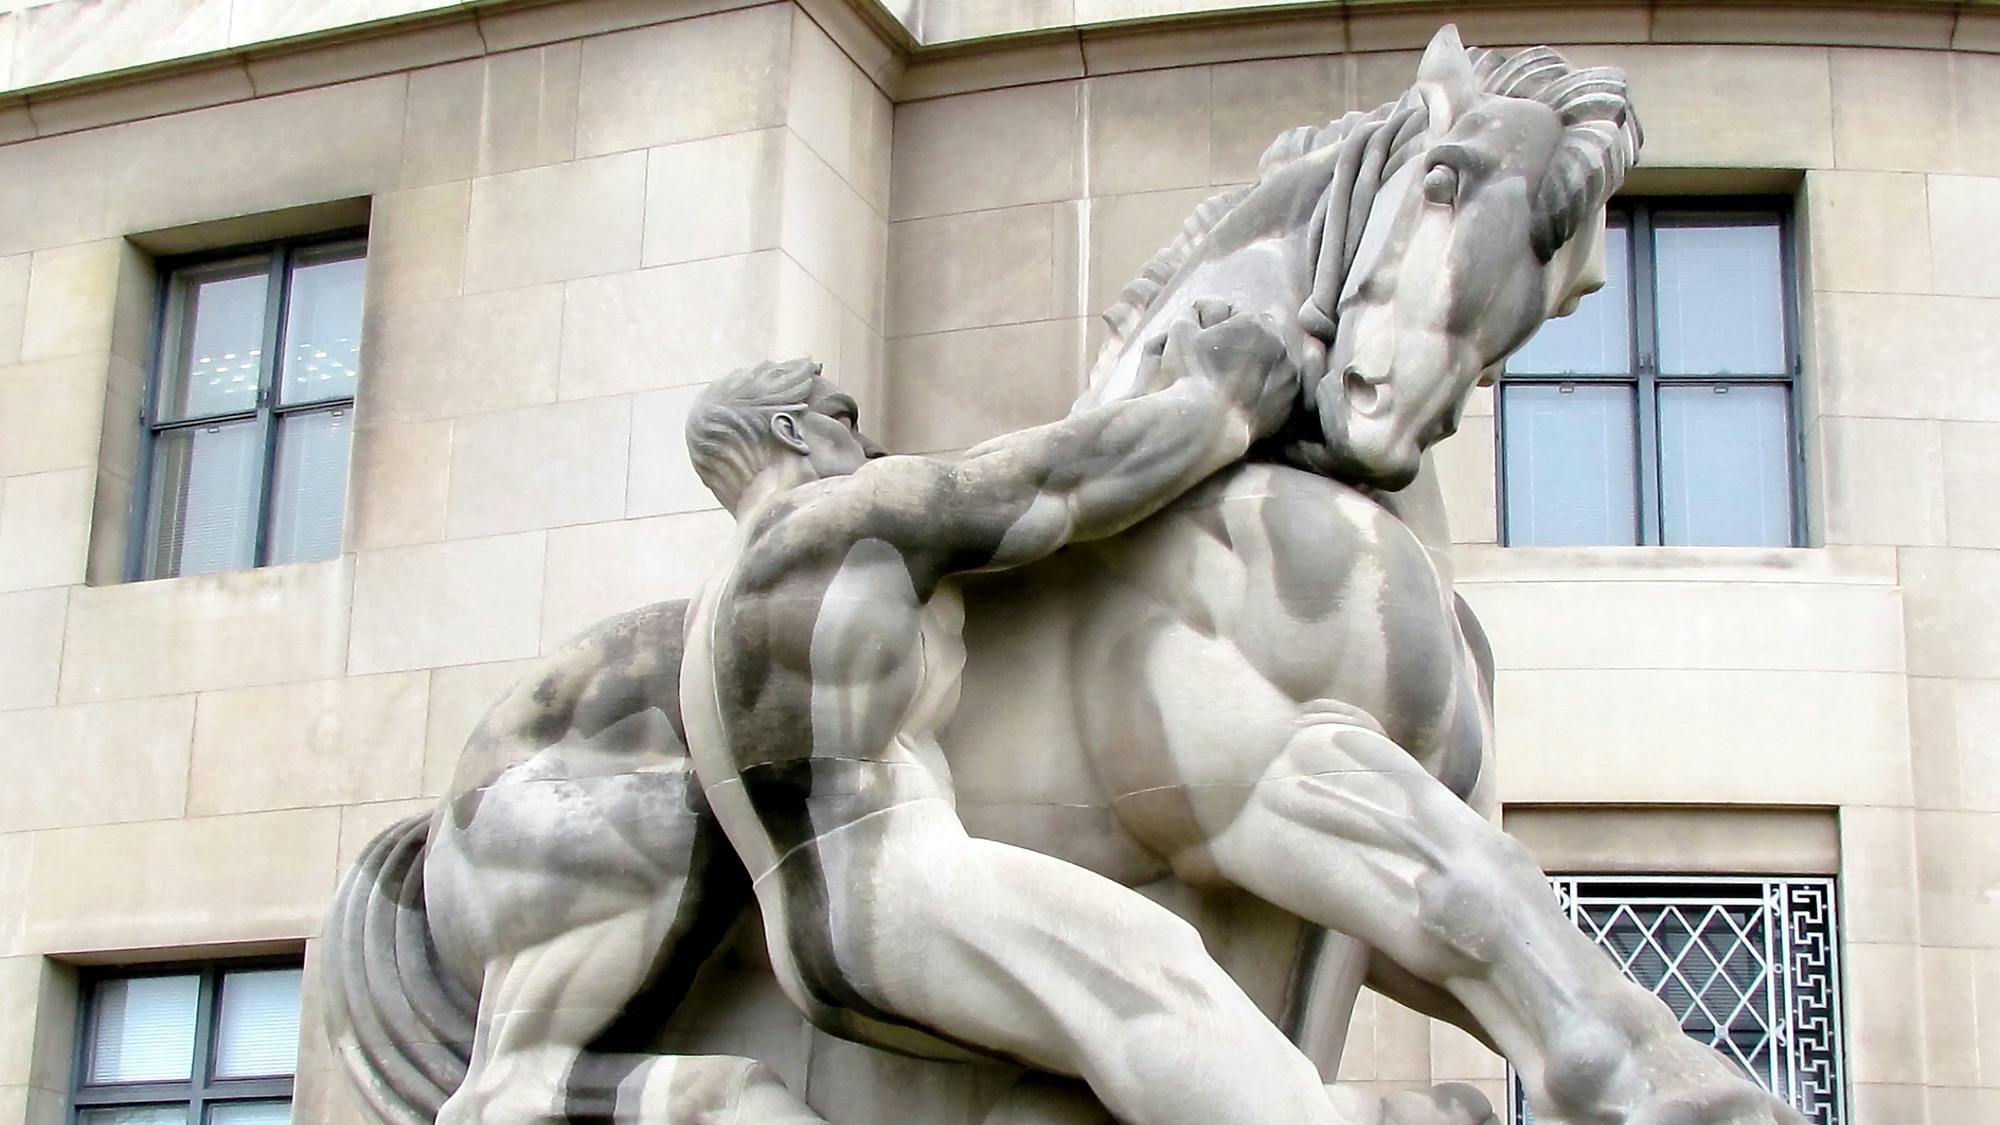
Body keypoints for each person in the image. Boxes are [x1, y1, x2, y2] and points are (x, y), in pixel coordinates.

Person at [677, 300, 1348, 1124]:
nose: (869, 444)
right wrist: (1223, 399)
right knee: (1166, 986)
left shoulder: (715, 601)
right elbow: (1056, 482)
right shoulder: (834, 518)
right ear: (791, 430)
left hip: (815, 937)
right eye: (842, 418)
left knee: (1092, 1062)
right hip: (903, 889)